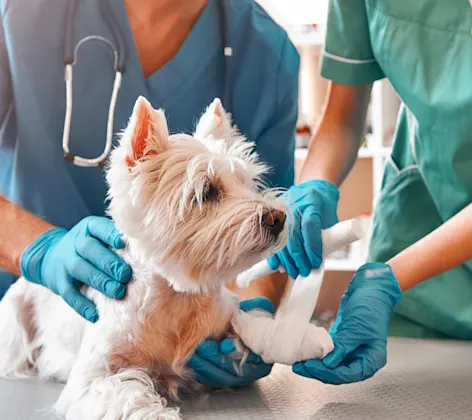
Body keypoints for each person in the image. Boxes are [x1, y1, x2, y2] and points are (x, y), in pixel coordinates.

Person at [0, 0, 299, 388]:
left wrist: (253, 320)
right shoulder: (22, 13)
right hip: (26, 323)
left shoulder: (264, 50)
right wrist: (38, 250)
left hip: (190, 330)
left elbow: (267, 234)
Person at [268, 0, 472, 384]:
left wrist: (390, 279)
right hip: (422, 255)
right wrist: (312, 186)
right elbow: (343, 116)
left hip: (411, 268)